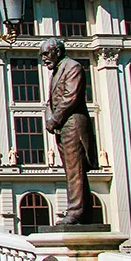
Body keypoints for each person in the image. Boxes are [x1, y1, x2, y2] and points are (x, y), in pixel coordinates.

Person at [42, 38, 96, 224]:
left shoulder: (73, 67)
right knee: (72, 170)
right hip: (63, 127)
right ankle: (84, 212)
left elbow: (70, 97)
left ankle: (76, 211)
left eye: (46, 54)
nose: (43, 59)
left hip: (73, 124)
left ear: (57, 51)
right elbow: (51, 100)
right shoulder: (58, 70)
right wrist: (50, 117)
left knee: (75, 170)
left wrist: (55, 119)